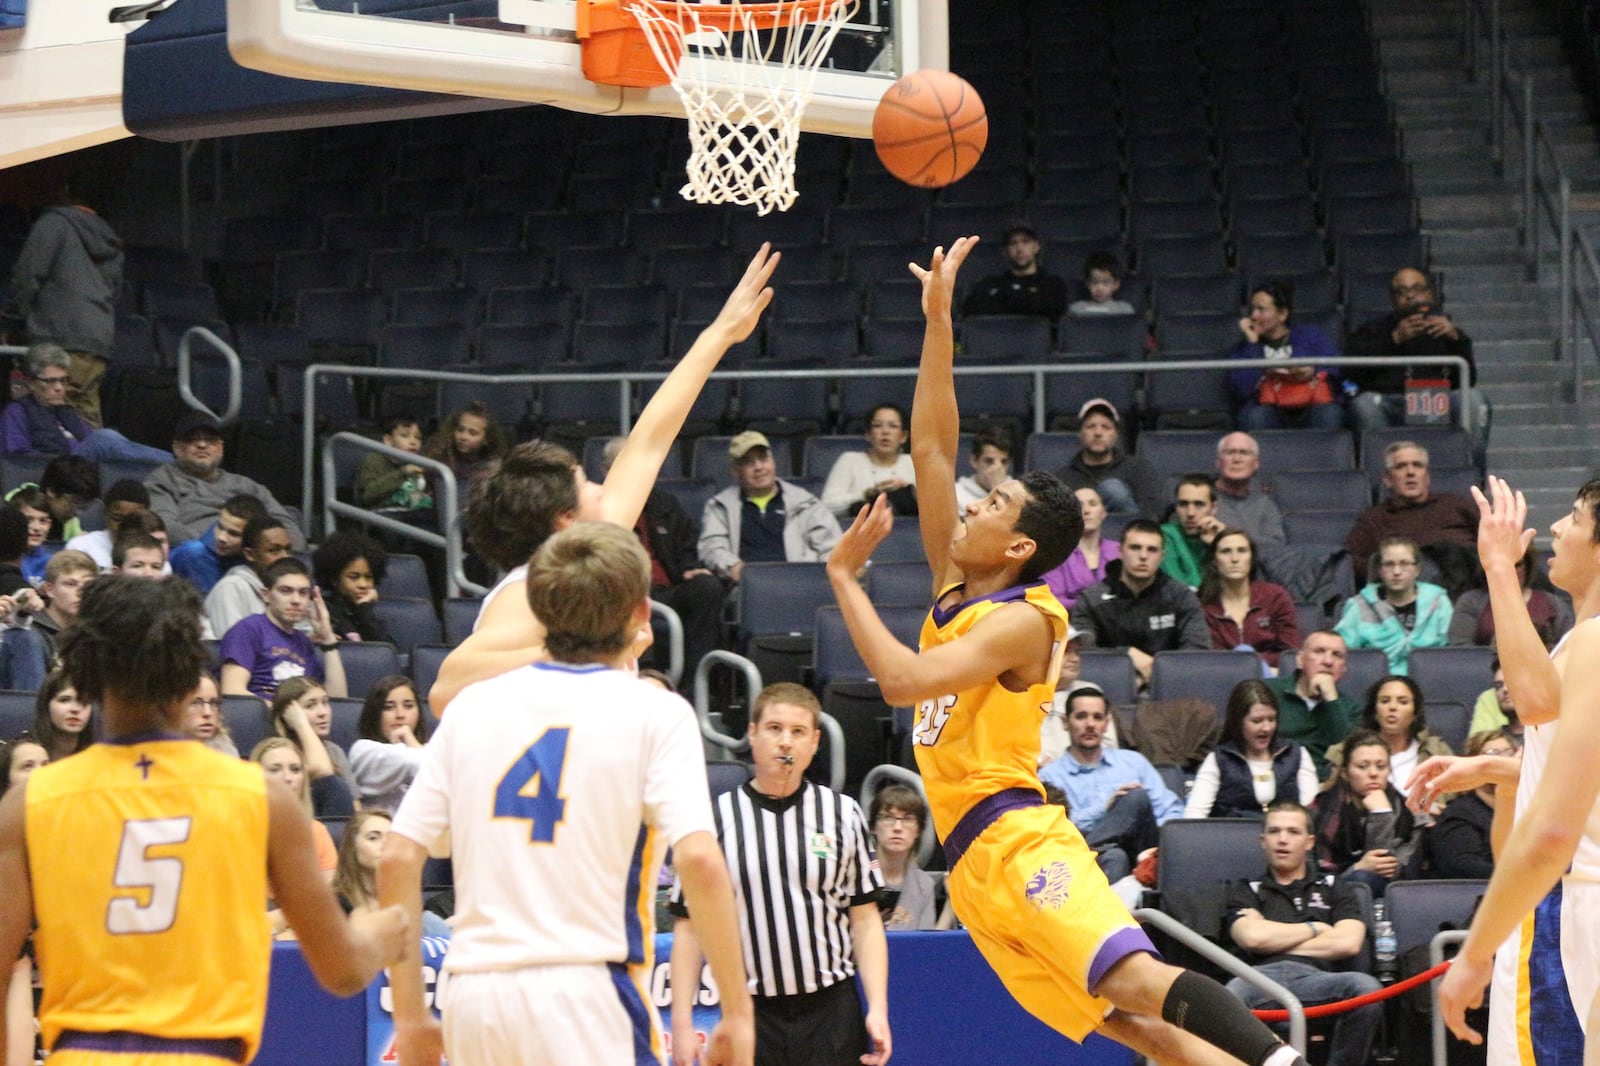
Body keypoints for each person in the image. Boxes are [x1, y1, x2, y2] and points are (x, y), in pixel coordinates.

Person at [825, 236, 1309, 1066]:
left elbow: (902, 684)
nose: (973, 506)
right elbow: (934, 449)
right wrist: (939, 324)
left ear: (1018, 548)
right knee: (1130, 1032)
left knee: (1139, 986)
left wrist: (843, 576)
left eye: (995, 504)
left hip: (1020, 841)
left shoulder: (1025, 620)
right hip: (975, 870)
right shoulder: (956, 579)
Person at [378, 523, 755, 1066]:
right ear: (641, 613)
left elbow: (397, 857)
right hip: (587, 990)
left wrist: (413, 1016)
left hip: (473, 992)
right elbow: (699, 859)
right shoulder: (654, 710)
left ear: (539, 611)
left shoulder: (471, 707)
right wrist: (738, 1015)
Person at [0, 574, 408, 1064]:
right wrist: (378, 936)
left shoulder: (29, 803)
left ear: (84, 670)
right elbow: (340, 971)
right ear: (191, 671)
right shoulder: (259, 795)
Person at [429, 245, 780, 714]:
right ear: (564, 521)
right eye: (586, 484)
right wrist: (597, 648)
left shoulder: (577, 562)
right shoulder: (527, 589)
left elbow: (650, 442)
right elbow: (445, 688)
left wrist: (720, 336)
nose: (602, 488)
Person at [1429, 475, 1600, 1056]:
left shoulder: (1595, 641)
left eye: (1574, 518)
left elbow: (1533, 701)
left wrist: (1499, 567)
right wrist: (1504, 771)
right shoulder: (1583, 641)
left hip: (1571, 904)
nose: (1556, 529)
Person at [667, 681, 886, 1066]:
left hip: (830, 1009)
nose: (786, 742)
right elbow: (689, 928)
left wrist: (878, 1008)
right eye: (774, 729)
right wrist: (682, 1022)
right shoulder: (713, 819)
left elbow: (865, 920)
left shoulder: (843, 813)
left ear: (815, 741)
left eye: (798, 732)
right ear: (752, 734)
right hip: (750, 1013)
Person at [1224, 802, 1383, 1066]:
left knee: (1366, 989)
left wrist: (1272, 939)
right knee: (1228, 998)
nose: (1282, 839)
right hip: (1258, 979)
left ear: (1309, 842)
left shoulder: (1335, 886)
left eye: (1293, 832)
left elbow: (1348, 942)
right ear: (1263, 840)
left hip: (1319, 977)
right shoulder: (1245, 889)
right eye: (1274, 831)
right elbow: (1252, 938)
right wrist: (1316, 928)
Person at [601, 435, 727, 680]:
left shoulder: (664, 503)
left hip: (667, 590)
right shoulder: (598, 505)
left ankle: (696, 682)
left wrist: (689, 569)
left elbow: (685, 546)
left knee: (707, 587)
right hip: (623, 593)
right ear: (606, 470)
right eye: (623, 463)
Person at [1344, 267, 1489, 465]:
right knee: (1364, 405)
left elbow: (1467, 380)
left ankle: (1470, 475)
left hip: (1436, 401)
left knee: (1473, 399)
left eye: (1417, 288)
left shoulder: (1447, 330)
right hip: (1392, 401)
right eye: (1402, 291)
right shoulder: (1373, 329)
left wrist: (1456, 340)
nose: (1410, 295)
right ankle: (1379, 481)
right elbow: (1353, 374)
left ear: (1430, 293)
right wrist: (1393, 339)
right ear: (1393, 299)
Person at [1039, 685, 1185, 882]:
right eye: (1081, 716)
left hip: (1143, 849)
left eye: (1097, 717)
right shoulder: (1051, 776)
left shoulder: (1133, 762)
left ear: (1106, 724)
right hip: (1092, 862)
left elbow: (1171, 812)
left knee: (1135, 797)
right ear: (1066, 722)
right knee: (1116, 857)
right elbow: (1058, 830)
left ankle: (1085, 851)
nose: (1090, 724)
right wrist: (1105, 807)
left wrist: (1160, 848)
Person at [2, 188, 122, 426]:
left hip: (60, 337)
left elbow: (28, 274)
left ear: (65, 193)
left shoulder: (53, 223)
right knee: (87, 424)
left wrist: (10, 320)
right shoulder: (110, 239)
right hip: (98, 342)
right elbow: (114, 293)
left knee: (54, 419)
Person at [1073, 519, 1210, 689]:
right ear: (1121, 551)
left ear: (1162, 556)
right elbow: (1081, 652)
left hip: (1169, 688)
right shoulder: (1092, 599)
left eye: (1152, 550)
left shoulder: (1181, 597)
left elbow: (1197, 650)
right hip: (1109, 689)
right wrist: (1126, 655)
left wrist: (1159, 671)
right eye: (1135, 547)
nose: (1143, 556)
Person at [144, 410, 305, 547]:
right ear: (177, 448)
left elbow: (287, 525)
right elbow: (165, 527)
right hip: (196, 553)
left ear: (220, 447)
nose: (202, 445)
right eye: (192, 439)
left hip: (251, 556)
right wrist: (223, 545)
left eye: (210, 439)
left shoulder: (246, 485)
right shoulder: (162, 480)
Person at [699, 430, 842, 583]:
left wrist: (816, 578)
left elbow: (832, 548)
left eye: (763, 458)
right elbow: (712, 547)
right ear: (735, 471)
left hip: (799, 582)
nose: (759, 467)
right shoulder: (720, 506)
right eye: (748, 462)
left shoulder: (805, 502)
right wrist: (734, 567)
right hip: (745, 586)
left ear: (773, 462)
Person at [0, 343, 173, 463]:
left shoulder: (65, 411)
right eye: (50, 381)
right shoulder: (17, 411)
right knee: (104, 438)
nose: (60, 388)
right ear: (31, 382)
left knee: (110, 439)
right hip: (54, 470)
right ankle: (176, 463)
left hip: (82, 469)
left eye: (63, 380)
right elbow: (16, 457)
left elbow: (88, 438)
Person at [1343, 441, 1478, 583]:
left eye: (1417, 465)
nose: (1410, 472)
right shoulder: (1374, 519)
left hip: (1468, 587)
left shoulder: (1455, 504)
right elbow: (1350, 561)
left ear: (1427, 477)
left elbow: (1494, 541)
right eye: (1401, 467)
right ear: (1388, 480)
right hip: (1412, 592)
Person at [218, 557, 348, 701]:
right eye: (286, 591)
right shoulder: (247, 630)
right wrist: (282, 712)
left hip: (301, 719)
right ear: (266, 595)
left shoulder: (303, 642)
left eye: (303, 593)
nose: (296, 600)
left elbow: (337, 700)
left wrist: (328, 638)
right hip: (261, 720)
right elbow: (232, 691)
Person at [1186, 681, 1318, 819]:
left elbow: (1309, 813)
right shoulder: (1218, 760)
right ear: (1238, 722)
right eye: (1257, 721)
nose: (1267, 728)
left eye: (1271, 719)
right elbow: (1194, 816)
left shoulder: (1295, 754)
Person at [1312, 728, 1419, 897]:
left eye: (1381, 766)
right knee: (1361, 879)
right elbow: (1318, 878)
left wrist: (1381, 813)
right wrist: (1357, 867)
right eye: (1362, 766)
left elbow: (1384, 868)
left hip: (1393, 893)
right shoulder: (1324, 810)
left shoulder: (1406, 812)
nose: (1373, 773)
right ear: (1346, 773)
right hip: (1329, 896)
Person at [1226, 280, 1344, 431]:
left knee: (1329, 414)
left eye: (1261, 309)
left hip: (1311, 403)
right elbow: (1242, 389)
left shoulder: (1310, 336)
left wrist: (1313, 370)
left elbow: (1336, 368)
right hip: (1269, 408)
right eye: (1252, 309)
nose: (1254, 315)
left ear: (1282, 314)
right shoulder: (1245, 347)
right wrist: (1252, 344)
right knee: (1255, 417)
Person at [1335, 535, 1453, 675]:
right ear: (1380, 570)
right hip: (1376, 683)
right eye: (1389, 564)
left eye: (1404, 564)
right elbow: (1342, 652)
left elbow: (1449, 652)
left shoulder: (1438, 602)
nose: (1396, 572)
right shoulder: (1359, 606)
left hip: (1430, 680)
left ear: (1417, 569)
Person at [1323, 675, 1453, 798]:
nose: (1392, 707)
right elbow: (1331, 800)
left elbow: (1454, 798)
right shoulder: (1347, 751)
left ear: (1415, 712)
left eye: (1403, 702)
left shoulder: (1436, 751)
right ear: (1374, 711)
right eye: (1385, 701)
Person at [0, 734, 45, 1066]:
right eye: (27, 766)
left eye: (46, 765)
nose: (40, 774)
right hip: (15, 962)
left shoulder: (75, 834)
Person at [1199, 529, 1300, 668]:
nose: (1234, 559)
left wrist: (1252, 661)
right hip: (1222, 677)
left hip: (1271, 678)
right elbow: (1210, 658)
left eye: (1242, 550)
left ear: (1252, 559)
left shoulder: (1275, 597)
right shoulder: (1203, 605)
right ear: (1214, 561)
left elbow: (1290, 654)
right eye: (1226, 551)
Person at [1265, 631, 1360, 779]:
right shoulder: (1268, 692)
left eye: (1337, 655)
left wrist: (1332, 700)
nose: (1328, 661)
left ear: (1344, 668)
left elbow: (1354, 756)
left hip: (1328, 789)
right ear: (1300, 660)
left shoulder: (1352, 708)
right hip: (1273, 780)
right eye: (1319, 651)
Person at [1424, 729, 1517, 879]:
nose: (1503, 761)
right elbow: (1462, 866)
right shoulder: (1459, 814)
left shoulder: (1530, 808)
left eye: (1509, 753)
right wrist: (1525, 876)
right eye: (1493, 754)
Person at [1449, 543, 1573, 649]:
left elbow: (1569, 648)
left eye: (1517, 565)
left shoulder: (1554, 603)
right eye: (1502, 563)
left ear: (1526, 568)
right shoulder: (1470, 602)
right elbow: (1461, 653)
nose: (1510, 570)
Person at [1056, 398, 1163, 517]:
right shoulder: (1063, 478)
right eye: (1091, 426)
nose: (1098, 433)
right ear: (1080, 434)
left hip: (1127, 533)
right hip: (1080, 534)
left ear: (1116, 435)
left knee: (1112, 489)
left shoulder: (1139, 470)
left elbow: (1153, 513)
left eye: (1106, 427)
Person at [270, 675, 357, 818]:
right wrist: (300, 723)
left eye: (325, 702)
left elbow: (355, 809)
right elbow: (323, 771)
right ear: (288, 715)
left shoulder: (334, 751)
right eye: (310, 706)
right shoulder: (277, 753)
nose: (323, 713)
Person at [251, 737, 336, 876]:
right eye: (274, 770)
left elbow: (327, 888)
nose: (287, 778)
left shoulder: (316, 831)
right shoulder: (238, 830)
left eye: (295, 769)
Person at [203, 514, 296, 638]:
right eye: (274, 550)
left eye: (288, 549)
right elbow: (235, 647)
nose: (285, 557)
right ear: (250, 554)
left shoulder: (294, 589)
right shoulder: (231, 588)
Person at [822, 402, 917, 520]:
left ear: (903, 436)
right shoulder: (850, 460)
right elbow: (826, 507)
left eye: (893, 426)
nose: (885, 432)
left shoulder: (913, 463)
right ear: (868, 434)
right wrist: (868, 494)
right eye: (877, 425)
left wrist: (912, 492)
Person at [348, 674, 427, 812]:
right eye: (388, 707)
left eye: (408, 706)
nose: (400, 714)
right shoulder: (363, 751)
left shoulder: (430, 750)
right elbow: (425, 767)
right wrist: (415, 745)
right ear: (375, 714)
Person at [961, 224, 1068, 321]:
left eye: (1025, 242)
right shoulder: (990, 284)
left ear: (1036, 247)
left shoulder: (1053, 284)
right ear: (1005, 251)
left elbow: (1054, 311)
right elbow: (971, 311)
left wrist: (1006, 299)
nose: (1019, 249)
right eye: (1013, 243)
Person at [167, 493, 267, 595]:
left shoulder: (262, 559)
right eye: (220, 527)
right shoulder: (190, 553)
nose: (221, 537)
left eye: (233, 534)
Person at [870, 782, 939, 931]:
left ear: (918, 830)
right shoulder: (856, 876)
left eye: (908, 819)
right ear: (873, 827)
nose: (897, 828)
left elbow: (926, 944)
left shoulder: (923, 885)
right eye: (888, 817)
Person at [1041, 486, 1118, 611]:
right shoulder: (1055, 553)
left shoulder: (1119, 550)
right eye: (1079, 505)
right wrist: (1092, 606)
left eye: (1093, 504)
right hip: (1070, 622)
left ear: (1103, 512)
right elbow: (1052, 598)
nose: (1086, 510)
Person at [312, 529, 391, 644]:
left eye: (368, 577)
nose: (363, 585)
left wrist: (364, 610)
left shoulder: (371, 612)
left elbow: (386, 651)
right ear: (334, 579)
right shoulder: (323, 611)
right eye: (354, 577)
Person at [60, 478, 155, 571]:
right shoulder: (81, 547)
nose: (124, 526)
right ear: (106, 514)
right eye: (117, 519)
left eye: (133, 520)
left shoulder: (154, 554)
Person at [1213, 432, 1288, 547]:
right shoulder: (1200, 500)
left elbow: (1276, 545)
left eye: (1244, 453)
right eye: (1230, 452)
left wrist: (1223, 534)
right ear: (1218, 463)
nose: (1237, 459)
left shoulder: (1265, 505)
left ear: (1255, 464)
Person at [354, 414, 434, 514]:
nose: (413, 442)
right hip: (380, 515)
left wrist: (425, 498)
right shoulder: (374, 460)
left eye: (418, 438)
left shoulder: (417, 463)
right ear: (388, 440)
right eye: (404, 436)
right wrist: (403, 472)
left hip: (411, 514)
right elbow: (367, 496)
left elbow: (412, 496)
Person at [1160, 474, 1227, 589]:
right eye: (1183, 504)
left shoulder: (1224, 538)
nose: (1190, 513)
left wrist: (1218, 545)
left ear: (1214, 508)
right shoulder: (1164, 536)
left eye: (1199, 504)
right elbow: (1180, 589)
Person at [425, 400, 510, 490]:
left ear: (486, 439)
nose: (463, 437)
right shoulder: (441, 454)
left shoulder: (493, 468)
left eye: (473, 433)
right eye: (460, 430)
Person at [34, 548, 95, 661]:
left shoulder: (95, 634)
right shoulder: (32, 634)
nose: (80, 592)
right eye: (71, 584)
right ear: (50, 589)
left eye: (88, 584)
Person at [32, 670, 92, 763]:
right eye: (64, 700)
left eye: (84, 701)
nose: (75, 709)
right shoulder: (26, 753)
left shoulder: (101, 756)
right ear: (46, 705)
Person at [6, 485, 57, 583]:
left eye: (43, 521)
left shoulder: (53, 564)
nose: (36, 528)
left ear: (49, 525)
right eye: (28, 520)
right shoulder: (4, 560)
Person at [954, 429, 1012, 513]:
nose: (997, 468)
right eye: (989, 461)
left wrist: (999, 489)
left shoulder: (1019, 494)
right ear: (974, 460)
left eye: (1004, 462)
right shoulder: (956, 495)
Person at [181, 671, 237, 758]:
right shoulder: (157, 753)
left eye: (213, 703)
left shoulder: (225, 749)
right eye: (196, 703)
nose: (208, 712)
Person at [1067, 251, 1136, 317]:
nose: (1100, 288)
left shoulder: (1124, 310)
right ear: (1087, 283)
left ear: (1116, 284)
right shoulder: (1077, 309)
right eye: (1094, 282)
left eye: (1106, 283)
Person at [1468, 657, 1522, 738]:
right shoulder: (1495, 742)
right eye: (1498, 686)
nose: (1505, 689)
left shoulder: (1546, 734)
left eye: (1511, 682)